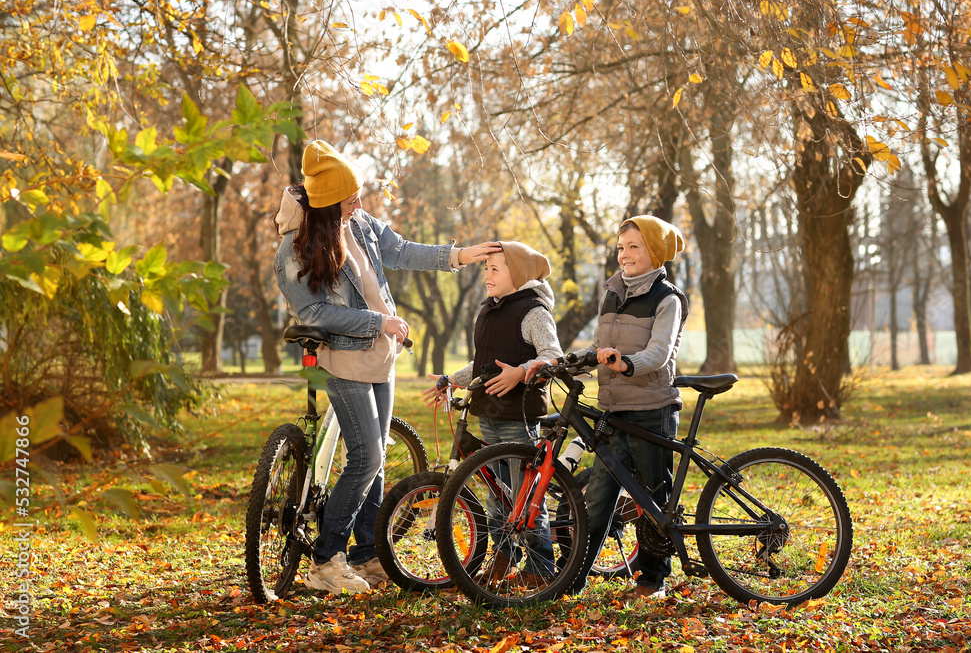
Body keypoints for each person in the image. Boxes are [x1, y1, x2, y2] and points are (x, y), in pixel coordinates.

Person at [272, 140, 501, 594]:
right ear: (326, 203)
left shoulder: (359, 224)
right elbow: (314, 315)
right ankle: (326, 559)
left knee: (372, 459)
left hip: (382, 355)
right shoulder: (294, 252)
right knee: (368, 457)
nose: (359, 204)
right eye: (350, 198)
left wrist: (461, 255)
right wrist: (380, 321)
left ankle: (366, 554)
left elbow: (402, 250)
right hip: (344, 358)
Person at [526, 215, 688, 601]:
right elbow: (599, 346)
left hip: (653, 408)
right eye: (620, 247)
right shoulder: (612, 292)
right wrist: (565, 362)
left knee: (653, 499)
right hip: (613, 411)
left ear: (655, 250)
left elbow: (660, 353)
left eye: (634, 246)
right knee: (596, 500)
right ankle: (573, 581)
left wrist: (625, 363)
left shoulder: (667, 298)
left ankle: (651, 581)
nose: (625, 254)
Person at [424, 242, 562, 587]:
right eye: (485, 268)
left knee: (524, 495)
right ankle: (503, 560)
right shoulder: (489, 309)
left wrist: (521, 371)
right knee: (497, 495)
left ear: (517, 275)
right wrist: (451, 380)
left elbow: (552, 356)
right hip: (488, 413)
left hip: (519, 415)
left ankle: (541, 570)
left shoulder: (533, 311)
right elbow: (482, 364)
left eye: (495, 269)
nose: (487, 274)